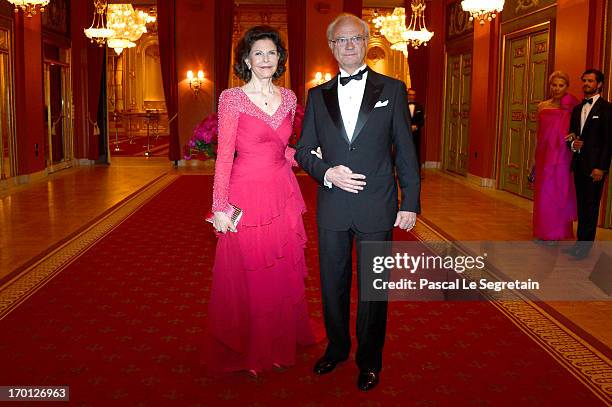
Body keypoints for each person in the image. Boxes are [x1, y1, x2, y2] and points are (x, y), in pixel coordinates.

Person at [295, 14, 420, 391]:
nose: (349, 45)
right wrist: (326, 171)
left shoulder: (393, 89)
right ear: (331, 47)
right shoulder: (317, 96)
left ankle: (370, 360)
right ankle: (336, 349)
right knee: (332, 283)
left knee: (374, 288)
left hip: (377, 205)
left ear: (366, 43)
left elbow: (406, 151)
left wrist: (410, 200)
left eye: (356, 39)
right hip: (332, 205)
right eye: (341, 40)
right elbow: (302, 151)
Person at [204, 25, 318, 375]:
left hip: (282, 192)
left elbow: (281, 149)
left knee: (281, 269)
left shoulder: (290, 98)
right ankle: (254, 347)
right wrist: (219, 207)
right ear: (246, 60)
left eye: (271, 53)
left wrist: (315, 160)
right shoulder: (231, 98)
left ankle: (279, 341)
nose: (266, 59)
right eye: (258, 54)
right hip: (246, 193)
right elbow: (225, 155)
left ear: (279, 58)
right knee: (253, 272)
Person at [564, 69, 612, 259]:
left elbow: (608, 142)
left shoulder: (607, 109)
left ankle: (584, 248)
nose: (586, 84)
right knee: (582, 207)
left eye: (590, 81)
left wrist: (601, 167)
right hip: (579, 165)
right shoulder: (577, 109)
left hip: (595, 168)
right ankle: (579, 243)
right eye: (584, 80)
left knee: (591, 207)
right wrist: (573, 144)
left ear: (599, 84)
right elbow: (571, 135)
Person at [532, 71, 579, 244]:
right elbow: (538, 133)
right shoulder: (542, 106)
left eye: (561, 85)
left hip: (562, 155)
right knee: (543, 192)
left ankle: (555, 233)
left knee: (558, 191)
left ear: (566, 87)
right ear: (549, 86)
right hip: (544, 154)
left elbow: (577, 130)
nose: (557, 88)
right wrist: (534, 158)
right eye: (554, 85)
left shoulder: (572, 105)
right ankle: (543, 231)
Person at [407, 88, 425, 171]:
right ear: (407, 95)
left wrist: (416, 126)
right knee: (405, 151)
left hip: (416, 134)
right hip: (405, 133)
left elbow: (422, 120)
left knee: (416, 152)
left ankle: (417, 171)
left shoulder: (420, 107)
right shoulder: (402, 106)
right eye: (410, 94)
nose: (412, 96)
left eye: (413, 95)